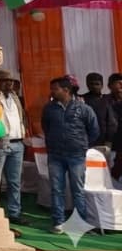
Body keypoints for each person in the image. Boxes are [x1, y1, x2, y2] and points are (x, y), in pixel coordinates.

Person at [42, 76, 99, 233]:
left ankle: (81, 223)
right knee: (56, 189)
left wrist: (81, 145)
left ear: (66, 90)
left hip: (76, 155)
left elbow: (94, 130)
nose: (52, 92)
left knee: (78, 190)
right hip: (55, 155)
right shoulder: (49, 108)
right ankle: (58, 222)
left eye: (55, 89)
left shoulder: (83, 108)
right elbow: (46, 127)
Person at [0, 69, 31, 226]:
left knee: (15, 181)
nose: (9, 83)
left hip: (17, 143)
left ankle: (14, 213)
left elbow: (21, 117)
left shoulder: (15, 97)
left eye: (11, 81)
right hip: (0, 143)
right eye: (5, 81)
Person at [81, 72, 118, 147]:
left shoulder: (107, 99)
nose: (94, 86)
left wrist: (109, 141)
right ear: (87, 84)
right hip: (86, 141)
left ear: (102, 85)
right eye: (91, 84)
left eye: (97, 84)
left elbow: (111, 123)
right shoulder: (81, 100)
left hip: (104, 141)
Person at [109, 73, 122, 179]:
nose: (121, 85)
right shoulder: (104, 101)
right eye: (119, 83)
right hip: (109, 142)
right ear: (110, 86)